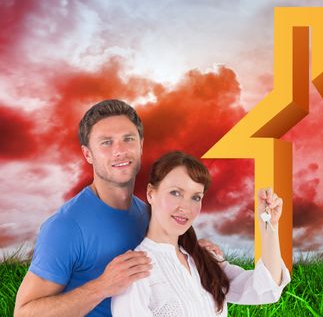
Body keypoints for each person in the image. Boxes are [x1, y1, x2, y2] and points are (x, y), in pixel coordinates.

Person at [14, 99, 222, 317]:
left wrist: (194, 253)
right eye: (106, 142)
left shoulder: (149, 212)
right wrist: (102, 287)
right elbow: (24, 313)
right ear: (87, 154)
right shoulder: (67, 226)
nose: (120, 151)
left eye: (128, 139)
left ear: (141, 145)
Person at [111, 151, 290, 316]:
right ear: (151, 194)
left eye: (196, 197)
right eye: (175, 193)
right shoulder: (135, 271)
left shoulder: (205, 259)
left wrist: (268, 225)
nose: (186, 207)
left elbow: (266, 289)